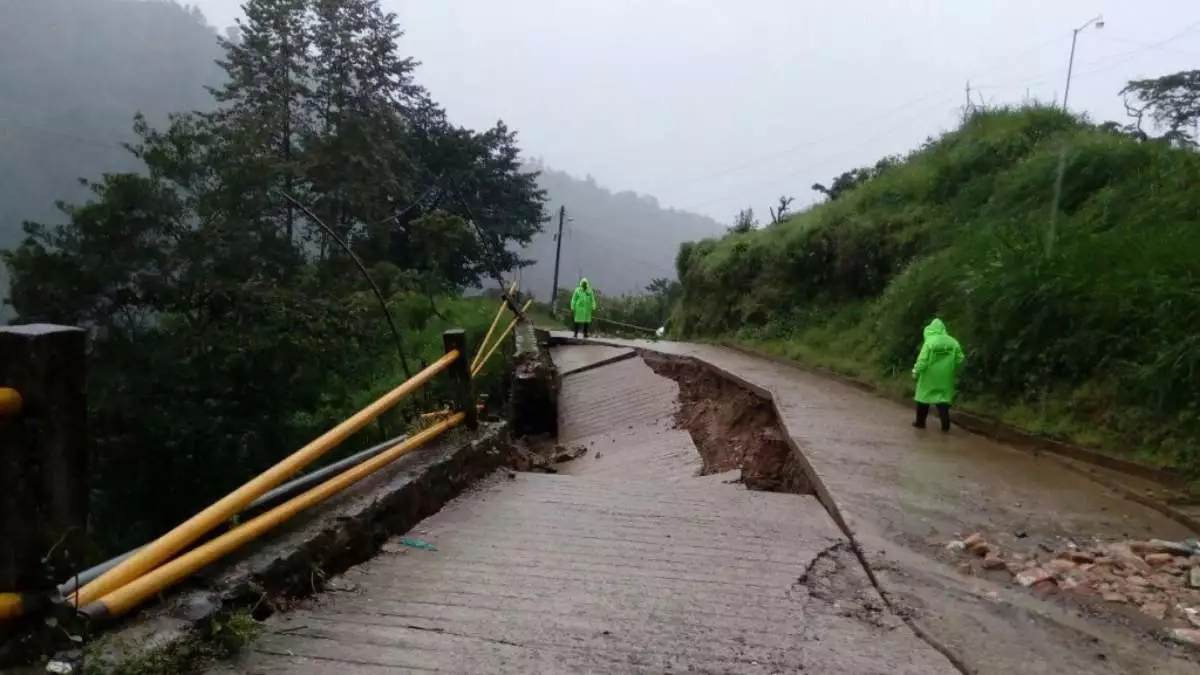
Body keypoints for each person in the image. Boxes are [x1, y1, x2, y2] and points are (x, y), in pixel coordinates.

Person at [911, 317, 965, 432]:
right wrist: (951, 367)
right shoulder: (953, 342)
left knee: (923, 398)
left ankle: (920, 422)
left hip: (928, 376)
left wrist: (915, 372)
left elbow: (922, 360)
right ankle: (945, 424)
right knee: (943, 399)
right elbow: (960, 359)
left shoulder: (930, 343)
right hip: (945, 376)